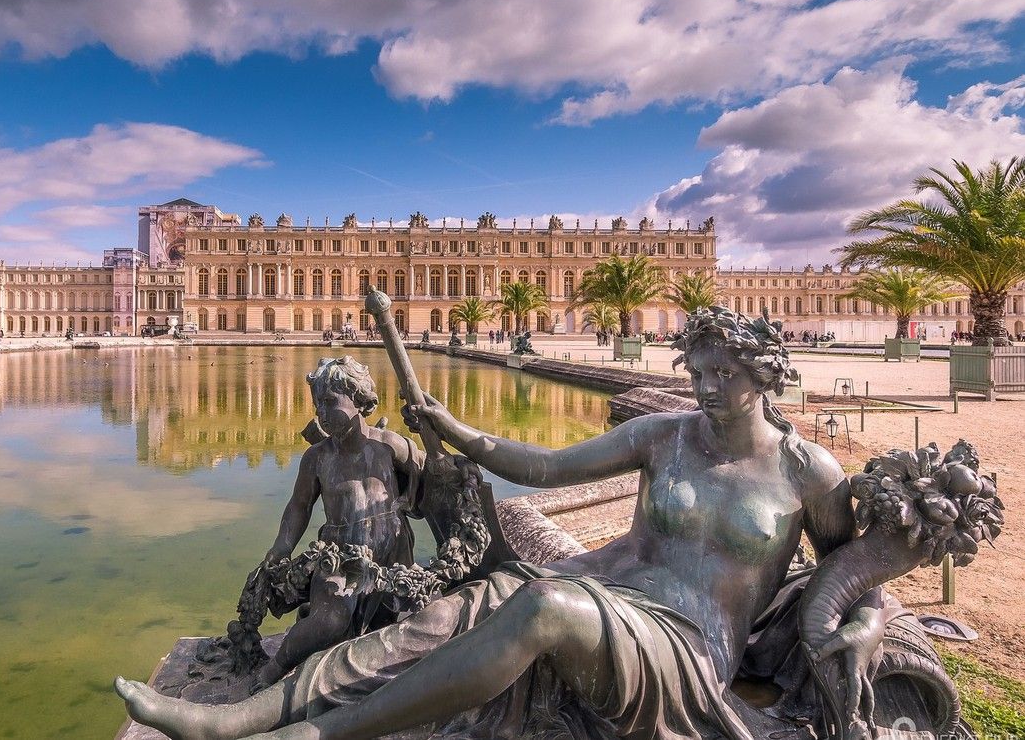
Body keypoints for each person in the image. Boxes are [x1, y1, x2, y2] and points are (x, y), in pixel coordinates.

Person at [116, 307, 891, 740]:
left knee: (542, 607)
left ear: (764, 374)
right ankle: (234, 719)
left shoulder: (807, 472)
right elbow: (546, 469)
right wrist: (459, 431)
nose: (708, 386)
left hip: (686, 646)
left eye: (725, 374)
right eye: (697, 373)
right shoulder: (668, 435)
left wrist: (868, 622)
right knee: (438, 617)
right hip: (599, 586)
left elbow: (852, 570)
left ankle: (317, 737)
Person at [252, 356, 422, 687]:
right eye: (318, 406)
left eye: (331, 402)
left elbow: (429, 479)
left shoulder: (390, 445)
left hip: (393, 554)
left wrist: (428, 431)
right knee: (331, 620)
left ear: (360, 399)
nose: (322, 414)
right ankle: (274, 668)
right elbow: (299, 507)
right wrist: (282, 545)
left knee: (408, 618)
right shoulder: (317, 458)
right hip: (340, 556)